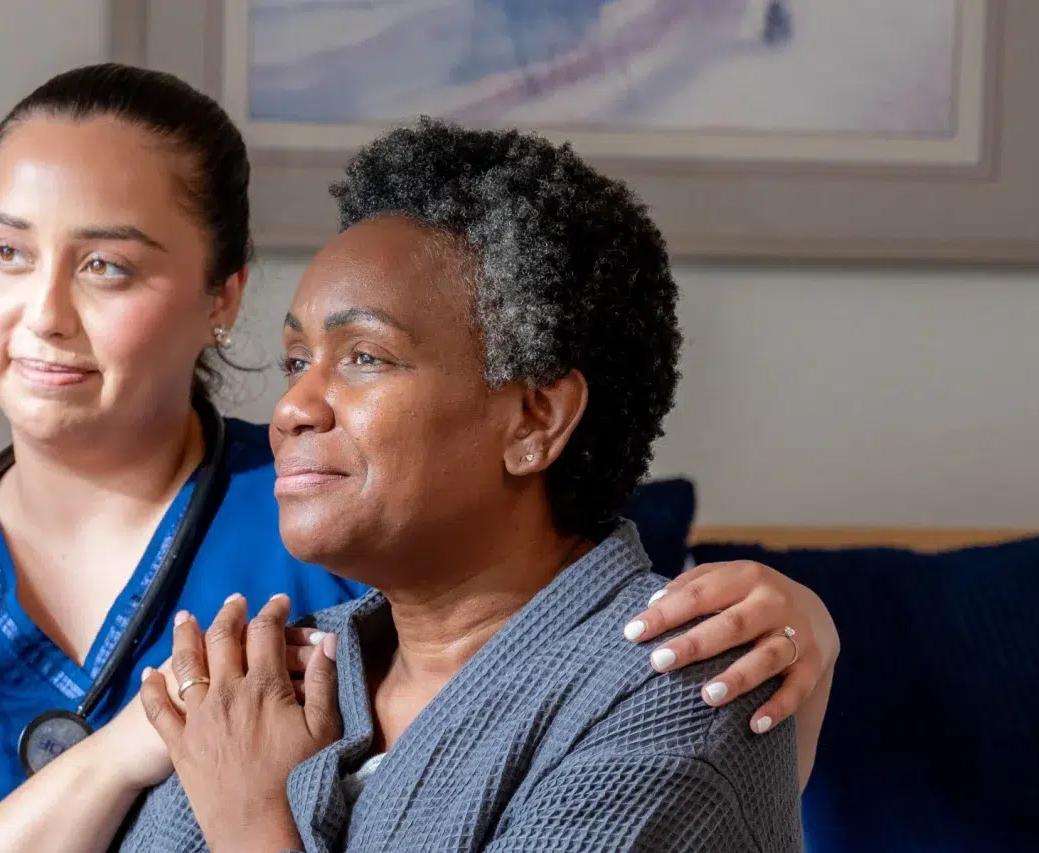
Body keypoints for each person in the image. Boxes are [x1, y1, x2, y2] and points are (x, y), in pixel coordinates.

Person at [0, 62, 838, 853]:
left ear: (216, 295)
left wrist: (242, 810)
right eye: (4, 251)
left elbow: (670, 738)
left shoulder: (359, 558)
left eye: (105, 266)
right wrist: (138, 751)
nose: (42, 312)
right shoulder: (311, 652)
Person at [122, 120, 798, 852]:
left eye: (365, 357)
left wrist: (251, 819)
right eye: (296, 362)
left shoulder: (679, 691)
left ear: (534, 419)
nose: (292, 410)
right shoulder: (278, 685)